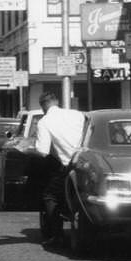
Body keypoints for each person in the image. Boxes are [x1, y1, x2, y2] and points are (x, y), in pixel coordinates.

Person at [35, 90, 86, 242]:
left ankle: (57, 235)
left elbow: (43, 151)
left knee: (50, 196)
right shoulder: (77, 114)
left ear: (43, 106)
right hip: (86, 162)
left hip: (68, 166)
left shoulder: (44, 122)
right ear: (57, 102)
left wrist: (28, 148)